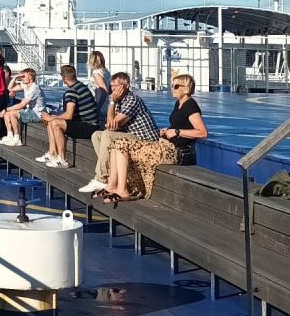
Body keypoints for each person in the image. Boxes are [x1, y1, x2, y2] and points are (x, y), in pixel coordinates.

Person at [101, 74, 208, 202]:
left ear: (186, 88)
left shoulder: (190, 105)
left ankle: (123, 190)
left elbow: (202, 133)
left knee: (121, 144)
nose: (173, 88)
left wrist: (177, 132)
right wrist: (167, 131)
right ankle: (113, 186)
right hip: (165, 144)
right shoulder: (179, 104)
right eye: (172, 85)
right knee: (117, 144)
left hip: (175, 151)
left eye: (177, 86)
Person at [79, 72, 159, 194]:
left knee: (107, 134)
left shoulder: (132, 100)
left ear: (125, 86)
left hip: (144, 138)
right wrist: (112, 102)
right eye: (112, 86)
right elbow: (110, 124)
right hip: (130, 135)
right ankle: (110, 175)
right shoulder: (118, 102)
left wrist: (112, 101)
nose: (113, 89)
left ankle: (101, 177)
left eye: (116, 86)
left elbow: (113, 125)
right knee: (96, 135)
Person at [36, 64, 101, 168]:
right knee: (51, 121)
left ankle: (62, 159)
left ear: (63, 78)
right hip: (88, 123)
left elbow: (69, 115)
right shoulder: (81, 86)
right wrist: (52, 117)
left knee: (55, 123)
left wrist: (51, 117)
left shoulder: (71, 91)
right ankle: (52, 154)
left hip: (88, 126)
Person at [0, 68, 42, 145]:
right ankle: (10, 136)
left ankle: (17, 138)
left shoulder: (35, 88)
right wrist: (14, 77)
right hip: (29, 111)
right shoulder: (25, 85)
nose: (21, 78)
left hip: (38, 114)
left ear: (31, 77)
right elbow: (9, 88)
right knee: (7, 114)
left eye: (23, 76)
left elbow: (22, 105)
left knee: (12, 113)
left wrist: (5, 109)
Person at [87, 50, 110, 118]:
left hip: (101, 103)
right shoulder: (105, 71)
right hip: (106, 103)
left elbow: (105, 90)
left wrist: (99, 106)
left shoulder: (96, 73)